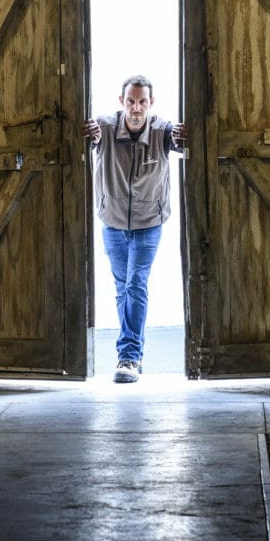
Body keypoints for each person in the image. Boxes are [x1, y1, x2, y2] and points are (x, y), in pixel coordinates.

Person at [82, 74, 186, 383]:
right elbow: (95, 136)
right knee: (121, 287)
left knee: (135, 284)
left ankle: (129, 356)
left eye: (142, 102)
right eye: (131, 101)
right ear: (122, 102)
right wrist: (91, 135)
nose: (136, 108)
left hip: (148, 223)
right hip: (112, 222)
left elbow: (176, 140)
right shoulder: (106, 127)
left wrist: (181, 137)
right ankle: (132, 353)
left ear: (151, 104)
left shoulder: (162, 131)